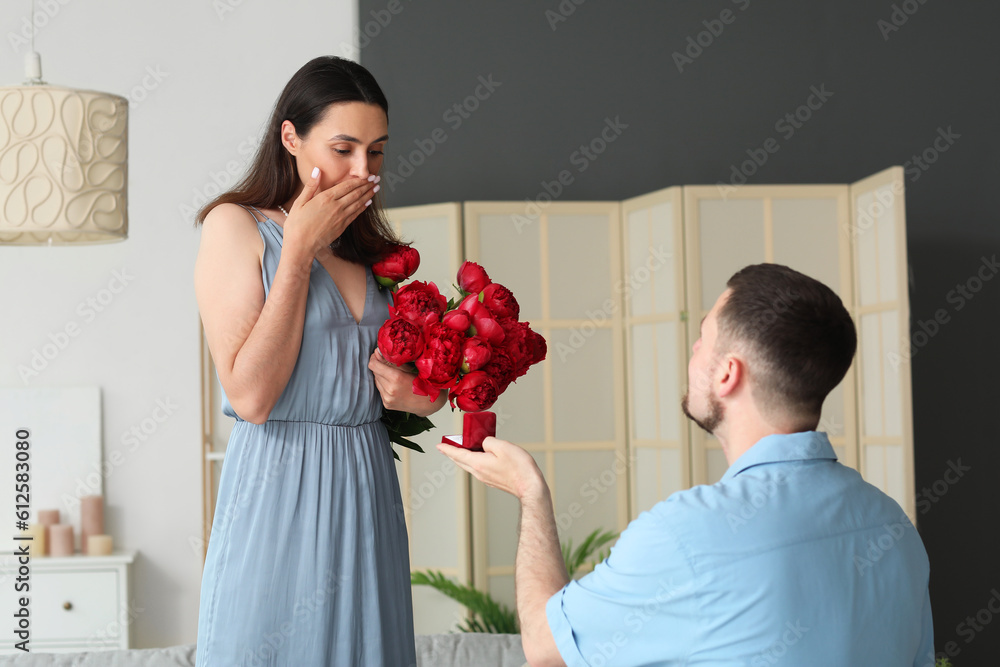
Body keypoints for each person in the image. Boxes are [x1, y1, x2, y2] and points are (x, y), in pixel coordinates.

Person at [439, 263, 934, 666]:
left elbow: (547, 649)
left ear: (726, 374)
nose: (693, 353)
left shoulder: (689, 536)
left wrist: (531, 493)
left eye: (703, 338)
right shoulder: (893, 526)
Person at [192, 56, 445, 666]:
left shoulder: (373, 252)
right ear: (290, 137)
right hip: (278, 494)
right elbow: (250, 396)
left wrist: (424, 396)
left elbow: (409, 385)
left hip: (367, 493)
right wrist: (298, 250)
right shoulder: (235, 227)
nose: (363, 171)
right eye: (343, 148)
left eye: (377, 152)